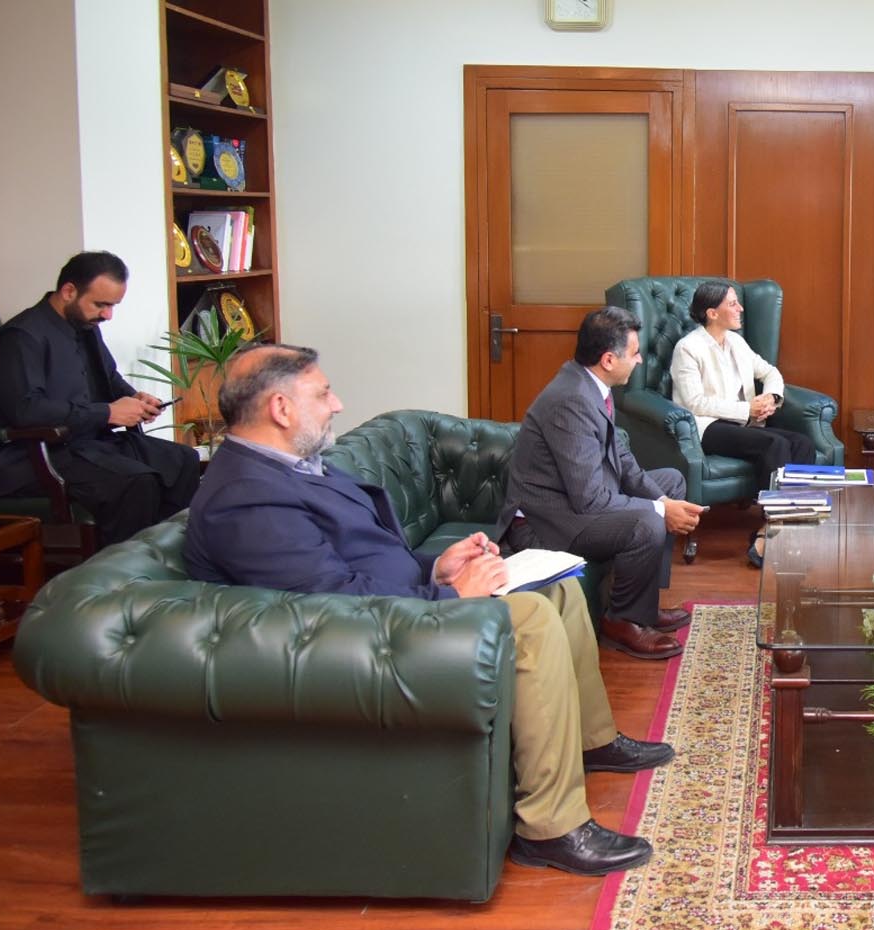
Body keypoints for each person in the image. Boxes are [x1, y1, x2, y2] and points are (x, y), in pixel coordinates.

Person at [184, 343, 673, 877]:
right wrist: (452, 597)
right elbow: (327, 604)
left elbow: (365, 561)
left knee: (559, 590)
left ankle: (591, 741)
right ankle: (552, 828)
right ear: (280, 408)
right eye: (323, 394)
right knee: (531, 618)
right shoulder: (246, 497)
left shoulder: (290, 468)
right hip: (363, 642)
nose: (337, 404)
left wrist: (437, 567)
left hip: (395, 604)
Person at [495, 307, 704, 661]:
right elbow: (590, 499)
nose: (639, 360)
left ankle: (643, 606)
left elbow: (622, 461)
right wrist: (659, 510)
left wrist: (664, 501)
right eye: (634, 353)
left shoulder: (593, 386)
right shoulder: (571, 400)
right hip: (546, 524)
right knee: (648, 521)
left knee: (671, 482)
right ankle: (621, 621)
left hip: (576, 503)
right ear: (608, 359)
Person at [0, 251, 200, 547]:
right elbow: (26, 411)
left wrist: (134, 399)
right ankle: (122, 571)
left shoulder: (85, 327)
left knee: (183, 460)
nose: (107, 315)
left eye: (112, 306)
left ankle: (168, 557)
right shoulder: (20, 337)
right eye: (101, 304)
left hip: (88, 444)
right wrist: (108, 413)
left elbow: (109, 377)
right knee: (135, 482)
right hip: (30, 455)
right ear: (69, 291)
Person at [669, 280, 817, 567]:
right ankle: (771, 531)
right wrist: (747, 408)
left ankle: (782, 526)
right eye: (732, 303)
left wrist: (771, 397)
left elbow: (770, 372)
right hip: (709, 427)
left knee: (803, 444)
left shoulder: (736, 341)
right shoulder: (687, 348)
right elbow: (695, 402)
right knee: (774, 444)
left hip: (744, 423)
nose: (741, 308)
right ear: (712, 313)